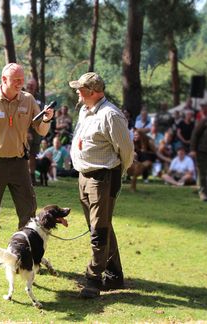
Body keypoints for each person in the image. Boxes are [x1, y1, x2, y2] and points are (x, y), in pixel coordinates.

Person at [0, 63, 54, 267]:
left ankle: (27, 253)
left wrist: (47, 120)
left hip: (19, 164)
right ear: (3, 80)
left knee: (28, 210)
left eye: (22, 80)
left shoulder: (28, 99)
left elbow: (41, 131)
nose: (20, 84)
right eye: (16, 80)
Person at [69, 72, 134, 298]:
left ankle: (93, 279)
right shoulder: (85, 111)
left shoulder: (111, 115)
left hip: (102, 178)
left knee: (99, 230)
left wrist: (116, 174)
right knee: (101, 226)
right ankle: (114, 274)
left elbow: (126, 151)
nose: (77, 91)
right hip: (85, 176)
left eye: (81, 88)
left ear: (94, 92)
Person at [190, 102, 207, 202]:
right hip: (202, 150)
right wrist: (192, 149)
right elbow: (195, 135)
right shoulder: (204, 121)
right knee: (202, 173)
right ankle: (203, 193)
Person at [25, 78, 43, 186]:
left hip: (36, 131)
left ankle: (32, 178)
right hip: (25, 131)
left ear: (36, 86)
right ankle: (24, 178)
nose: (31, 86)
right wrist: (27, 131)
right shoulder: (22, 96)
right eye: (29, 84)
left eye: (33, 85)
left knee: (33, 155)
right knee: (24, 156)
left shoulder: (38, 98)